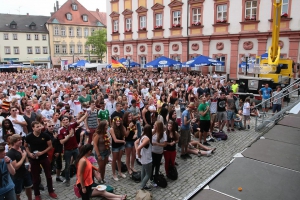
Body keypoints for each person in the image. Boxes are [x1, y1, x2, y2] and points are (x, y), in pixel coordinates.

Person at [24, 121, 57, 200]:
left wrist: (42, 152)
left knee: (48, 176)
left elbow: (50, 146)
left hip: (44, 157)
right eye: (37, 127)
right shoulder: (28, 137)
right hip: (34, 159)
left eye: (40, 126)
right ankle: (37, 194)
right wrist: (29, 154)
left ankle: (51, 191)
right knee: (35, 178)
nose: (39, 128)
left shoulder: (45, 135)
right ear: (33, 128)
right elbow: (25, 146)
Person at [58, 113, 88, 187]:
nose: (66, 121)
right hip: (67, 150)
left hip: (75, 149)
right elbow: (61, 142)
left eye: (67, 119)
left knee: (79, 163)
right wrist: (69, 136)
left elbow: (80, 120)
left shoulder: (72, 125)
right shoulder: (60, 130)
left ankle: (80, 178)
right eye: (64, 120)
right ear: (62, 122)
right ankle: (67, 180)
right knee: (67, 165)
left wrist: (86, 114)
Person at [6, 134, 33, 200]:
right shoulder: (11, 153)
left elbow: (26, 157)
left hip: (25, 172)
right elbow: (16, 166)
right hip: (17, 176)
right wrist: (23, 157)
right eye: (18, 140)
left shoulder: (22, 148)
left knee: (29, 187)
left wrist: (28, 164)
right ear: (14, 142)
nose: (21, 141)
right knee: (17, 193)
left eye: (21, 139)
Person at [135, 125, 153, 191]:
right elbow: (139, 147)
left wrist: (138, 154)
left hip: (143, 159)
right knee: (148, 174)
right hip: (147, 159)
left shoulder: (142, 137)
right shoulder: (147, 139)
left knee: (143, 171)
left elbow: (135, 143)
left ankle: (143, 185)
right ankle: (141, 186)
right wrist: (138, 154)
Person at [110, 116, 126, 181]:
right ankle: (114, 174)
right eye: (117, 121)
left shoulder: (121, 128)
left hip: (121, 146)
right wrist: (123, 141)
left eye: (119, 121)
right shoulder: (112, 129)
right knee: (114, 160)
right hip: (115, 146)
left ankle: (120, 172)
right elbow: (115, 140)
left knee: (119, 159)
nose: (118, 122)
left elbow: (125, 135)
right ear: (114, 122)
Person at [151, 121, 167, 186]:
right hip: (152, 152)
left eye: (155, 125)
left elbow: (165, 144)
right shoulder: (153, 132)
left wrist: (157, 144)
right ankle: (151, 177)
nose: (153, 126)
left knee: (157, 165)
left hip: (159, 152)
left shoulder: (163, 134)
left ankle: (156, 176)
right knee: (152, 165)